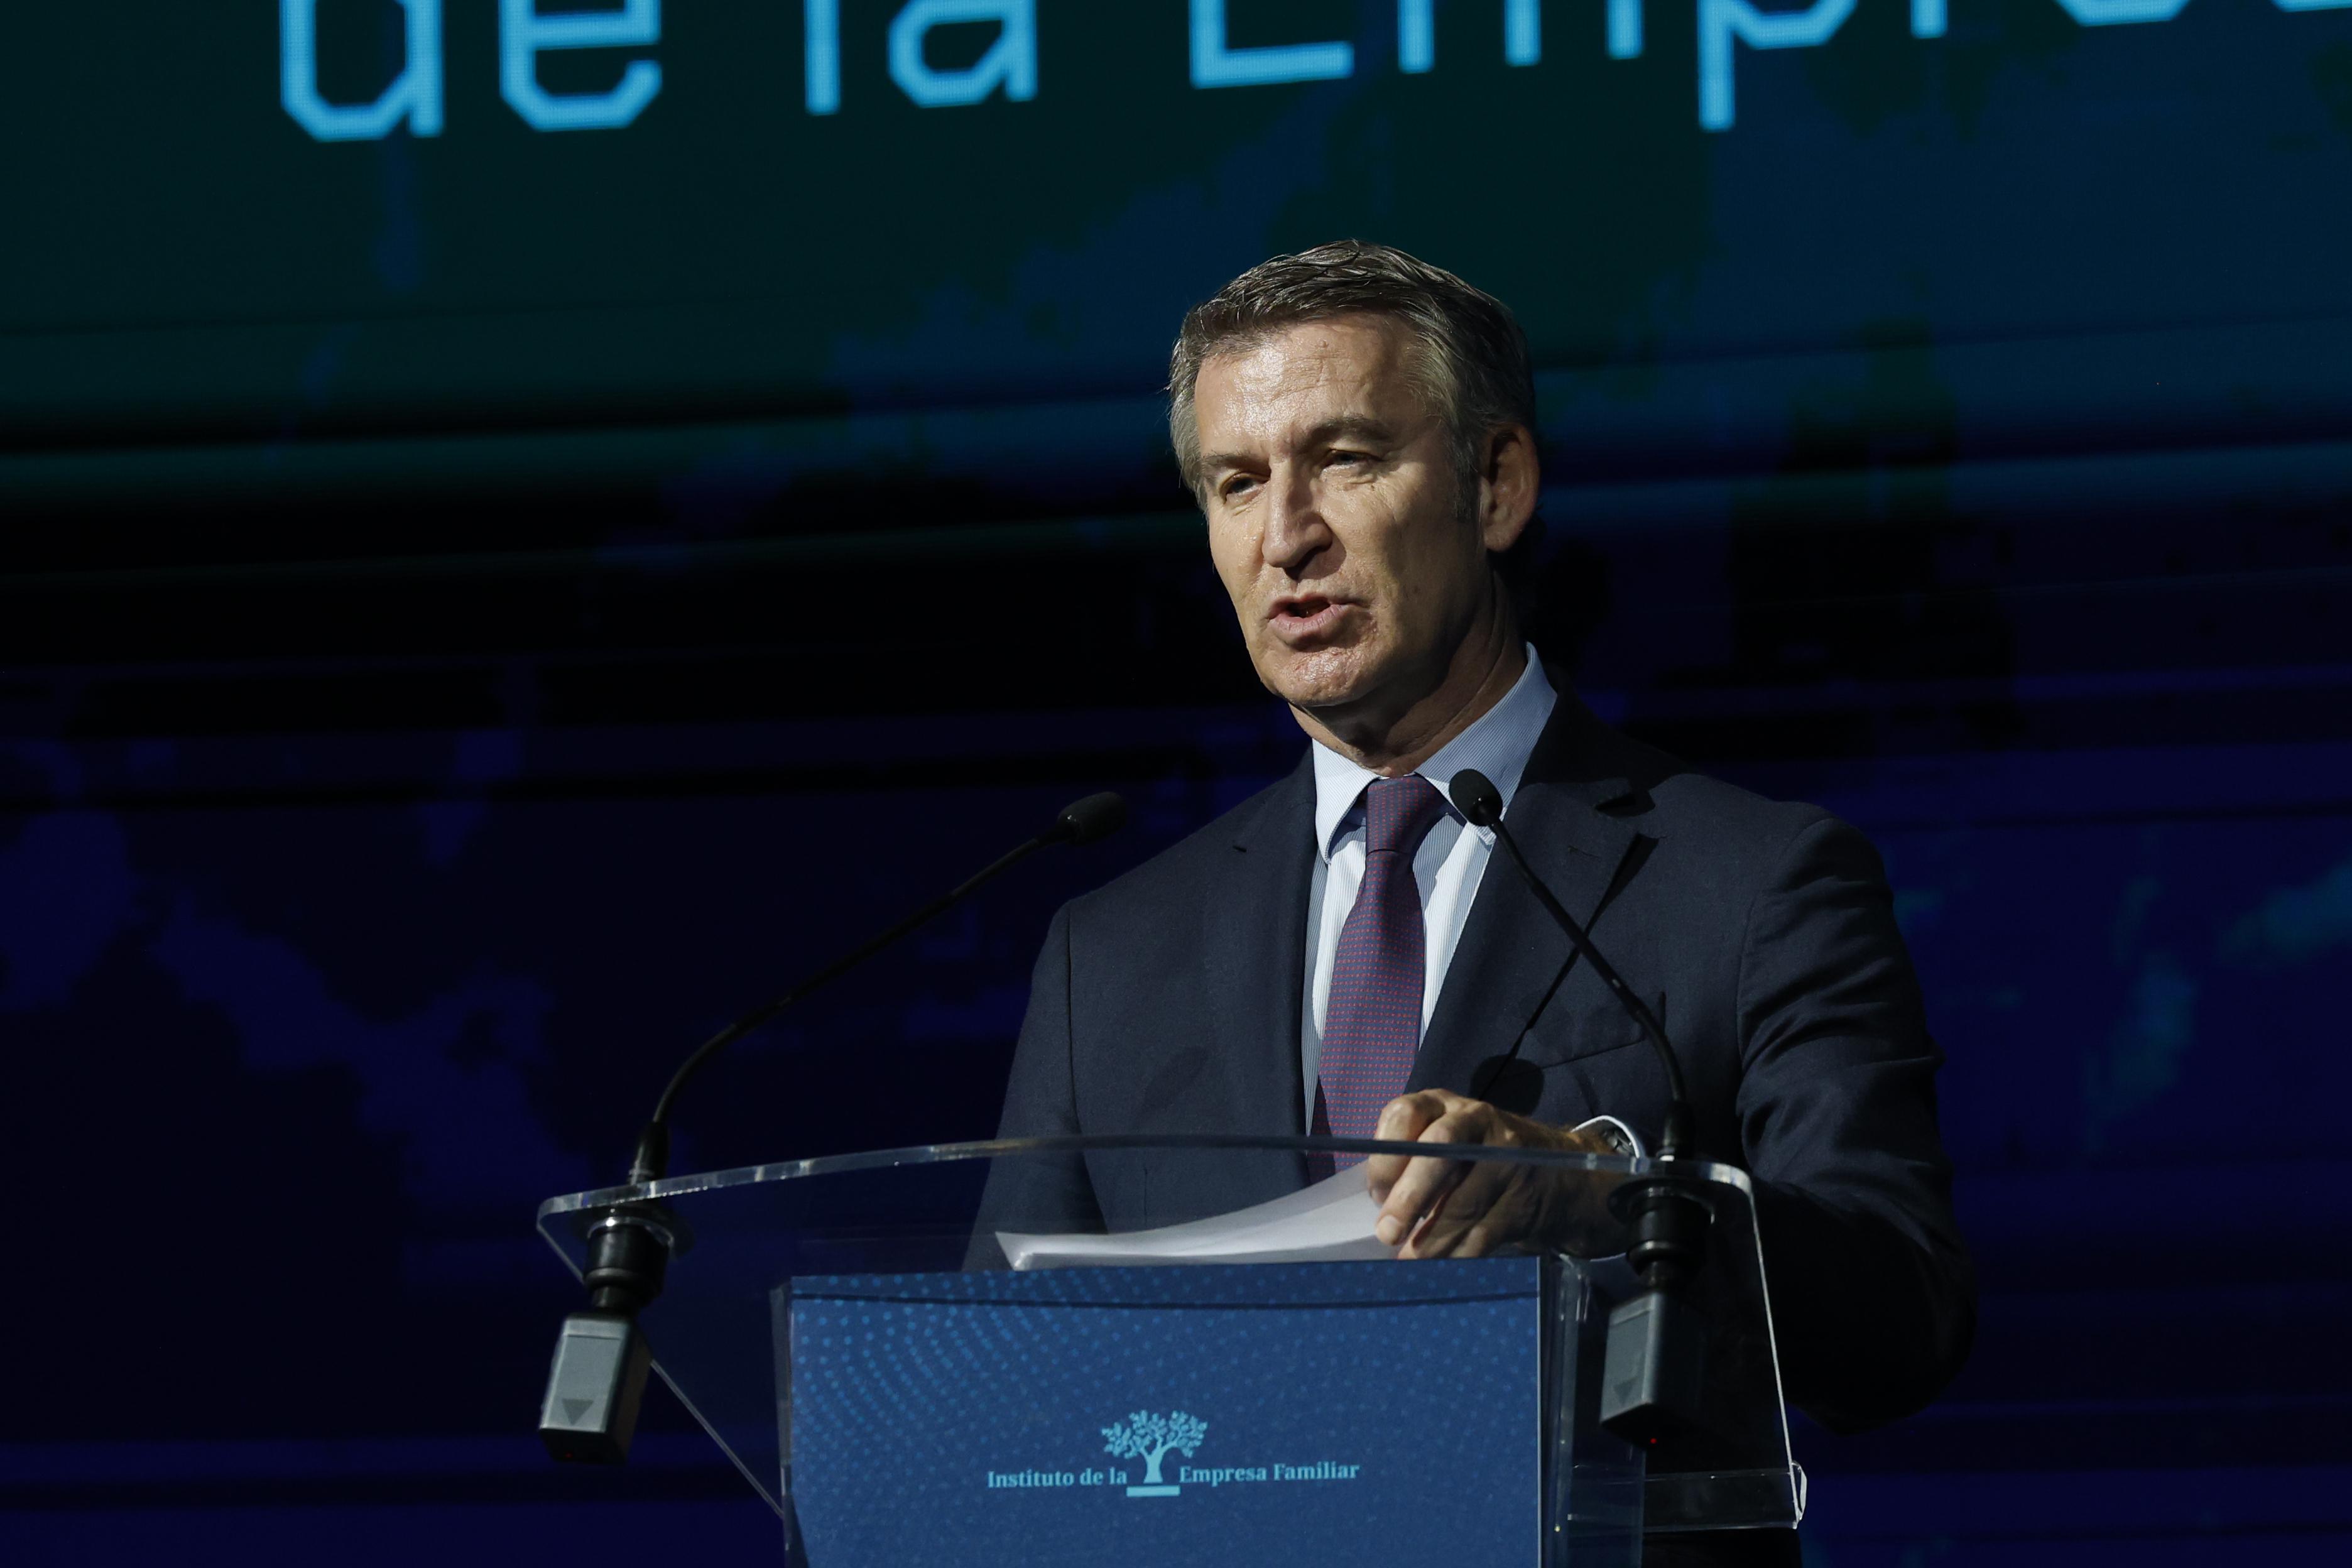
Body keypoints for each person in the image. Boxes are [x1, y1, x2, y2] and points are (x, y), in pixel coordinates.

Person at [976, 242, 1973, 1562]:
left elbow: (1898, 1315)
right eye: (1236, 482)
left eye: (1345, 460)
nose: (1287, 536)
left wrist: (1615, 1195)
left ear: (1495, 486)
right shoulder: (1105, 955)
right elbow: (986, 1402)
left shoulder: (1753, 883)